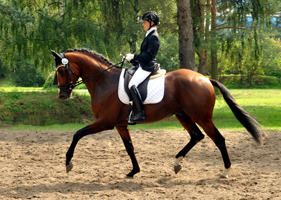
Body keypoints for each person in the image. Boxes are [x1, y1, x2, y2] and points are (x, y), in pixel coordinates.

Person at [126, 11, 160, 123]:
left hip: (148, 67)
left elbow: (149, 56)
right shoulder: (149, 34)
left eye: (144, 22)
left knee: (132, 84)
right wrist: (133, 59)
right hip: (143, 65)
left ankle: (141, 113)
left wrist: (134, 56)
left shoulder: (153, 37)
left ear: (152, 23)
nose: (143, 24)